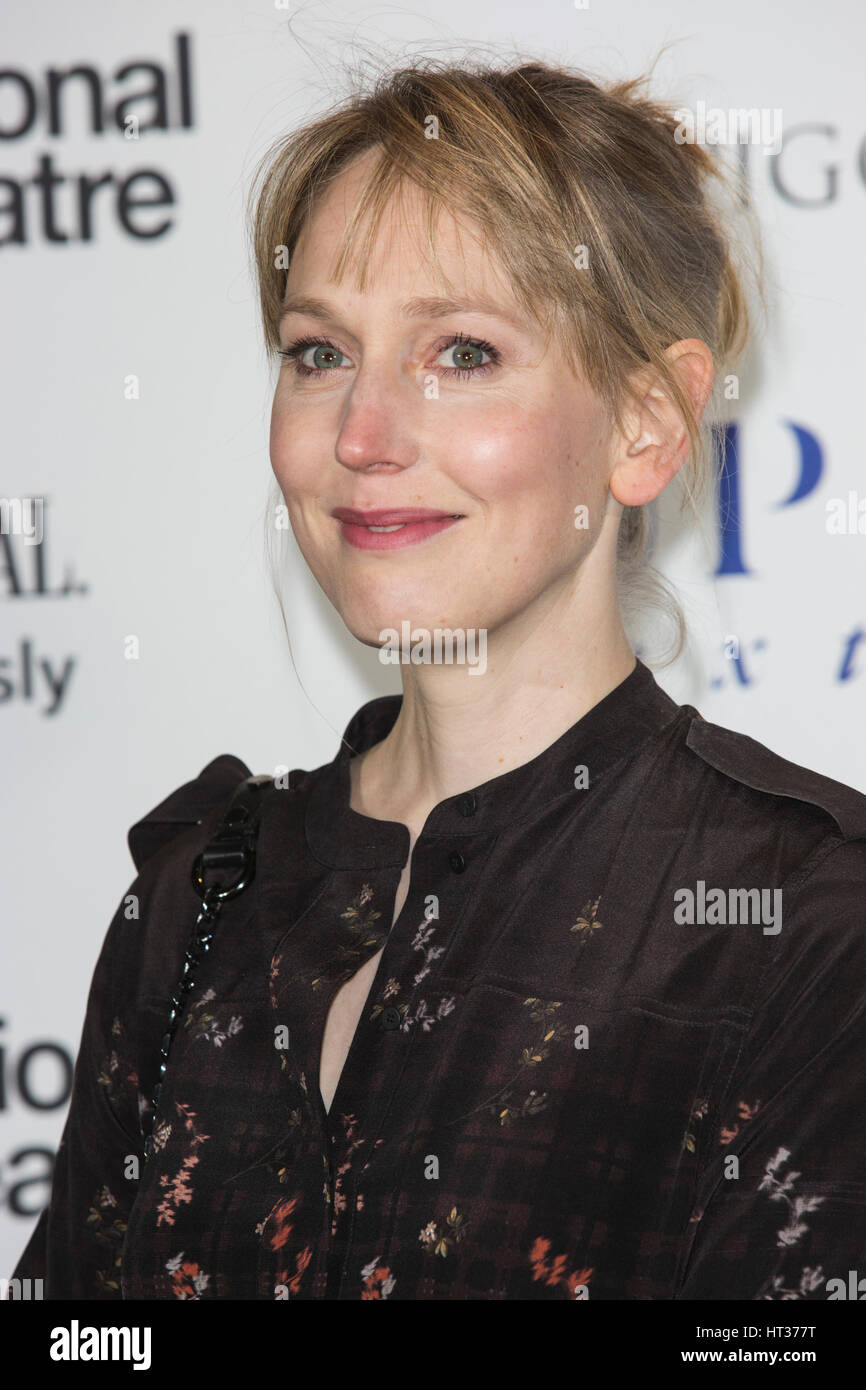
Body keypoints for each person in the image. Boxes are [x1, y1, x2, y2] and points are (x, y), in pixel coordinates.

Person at [11, 57, 866, 1301]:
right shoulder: (198, 897)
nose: (361, 437)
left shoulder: (806, 923)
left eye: (460, 352)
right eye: (318, 354)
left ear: (645, 421)